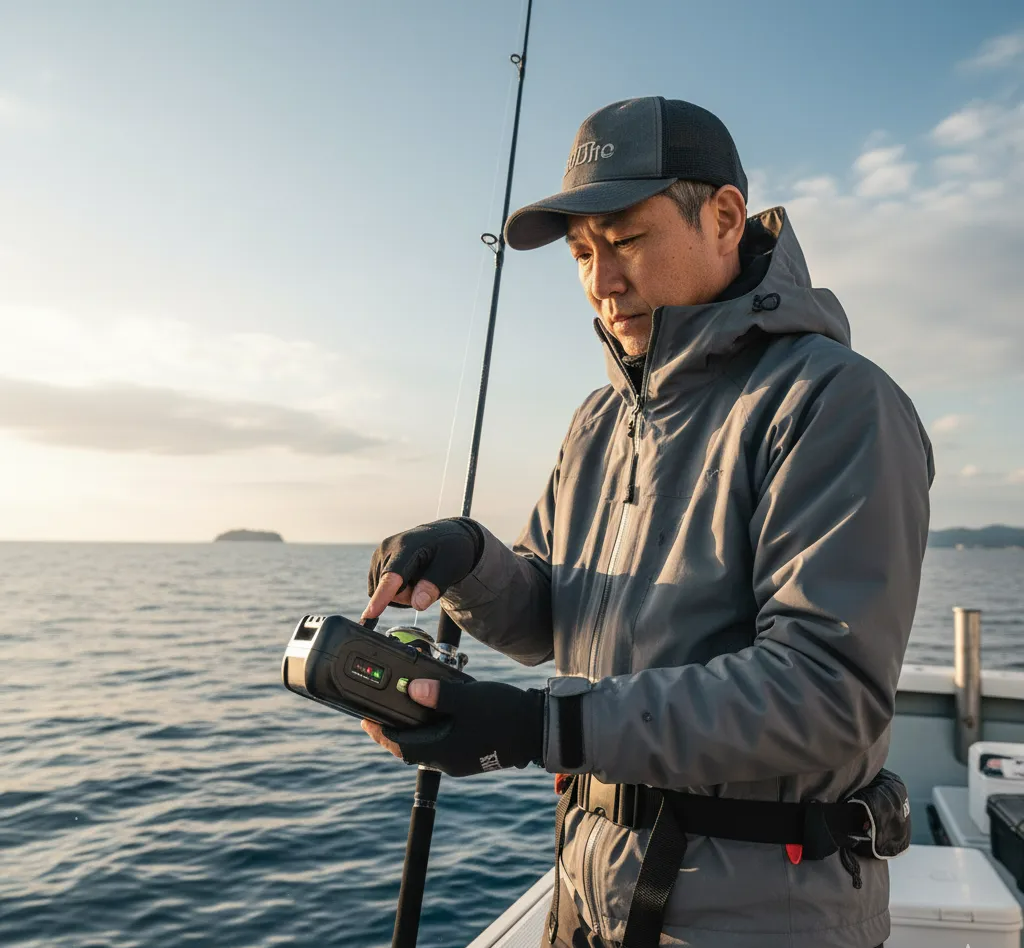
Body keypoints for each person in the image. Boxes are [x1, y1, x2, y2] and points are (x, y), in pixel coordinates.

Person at [360, 97, 933, 948]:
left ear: (725, 219)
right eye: (582, 254)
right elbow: (545, 620)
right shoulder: (598, 422)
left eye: (625, 240)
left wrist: (540, 727)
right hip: (584, 899)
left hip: (754, 923)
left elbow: (825, 690)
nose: (601, 282)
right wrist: (471, 563)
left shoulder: (835, 402)